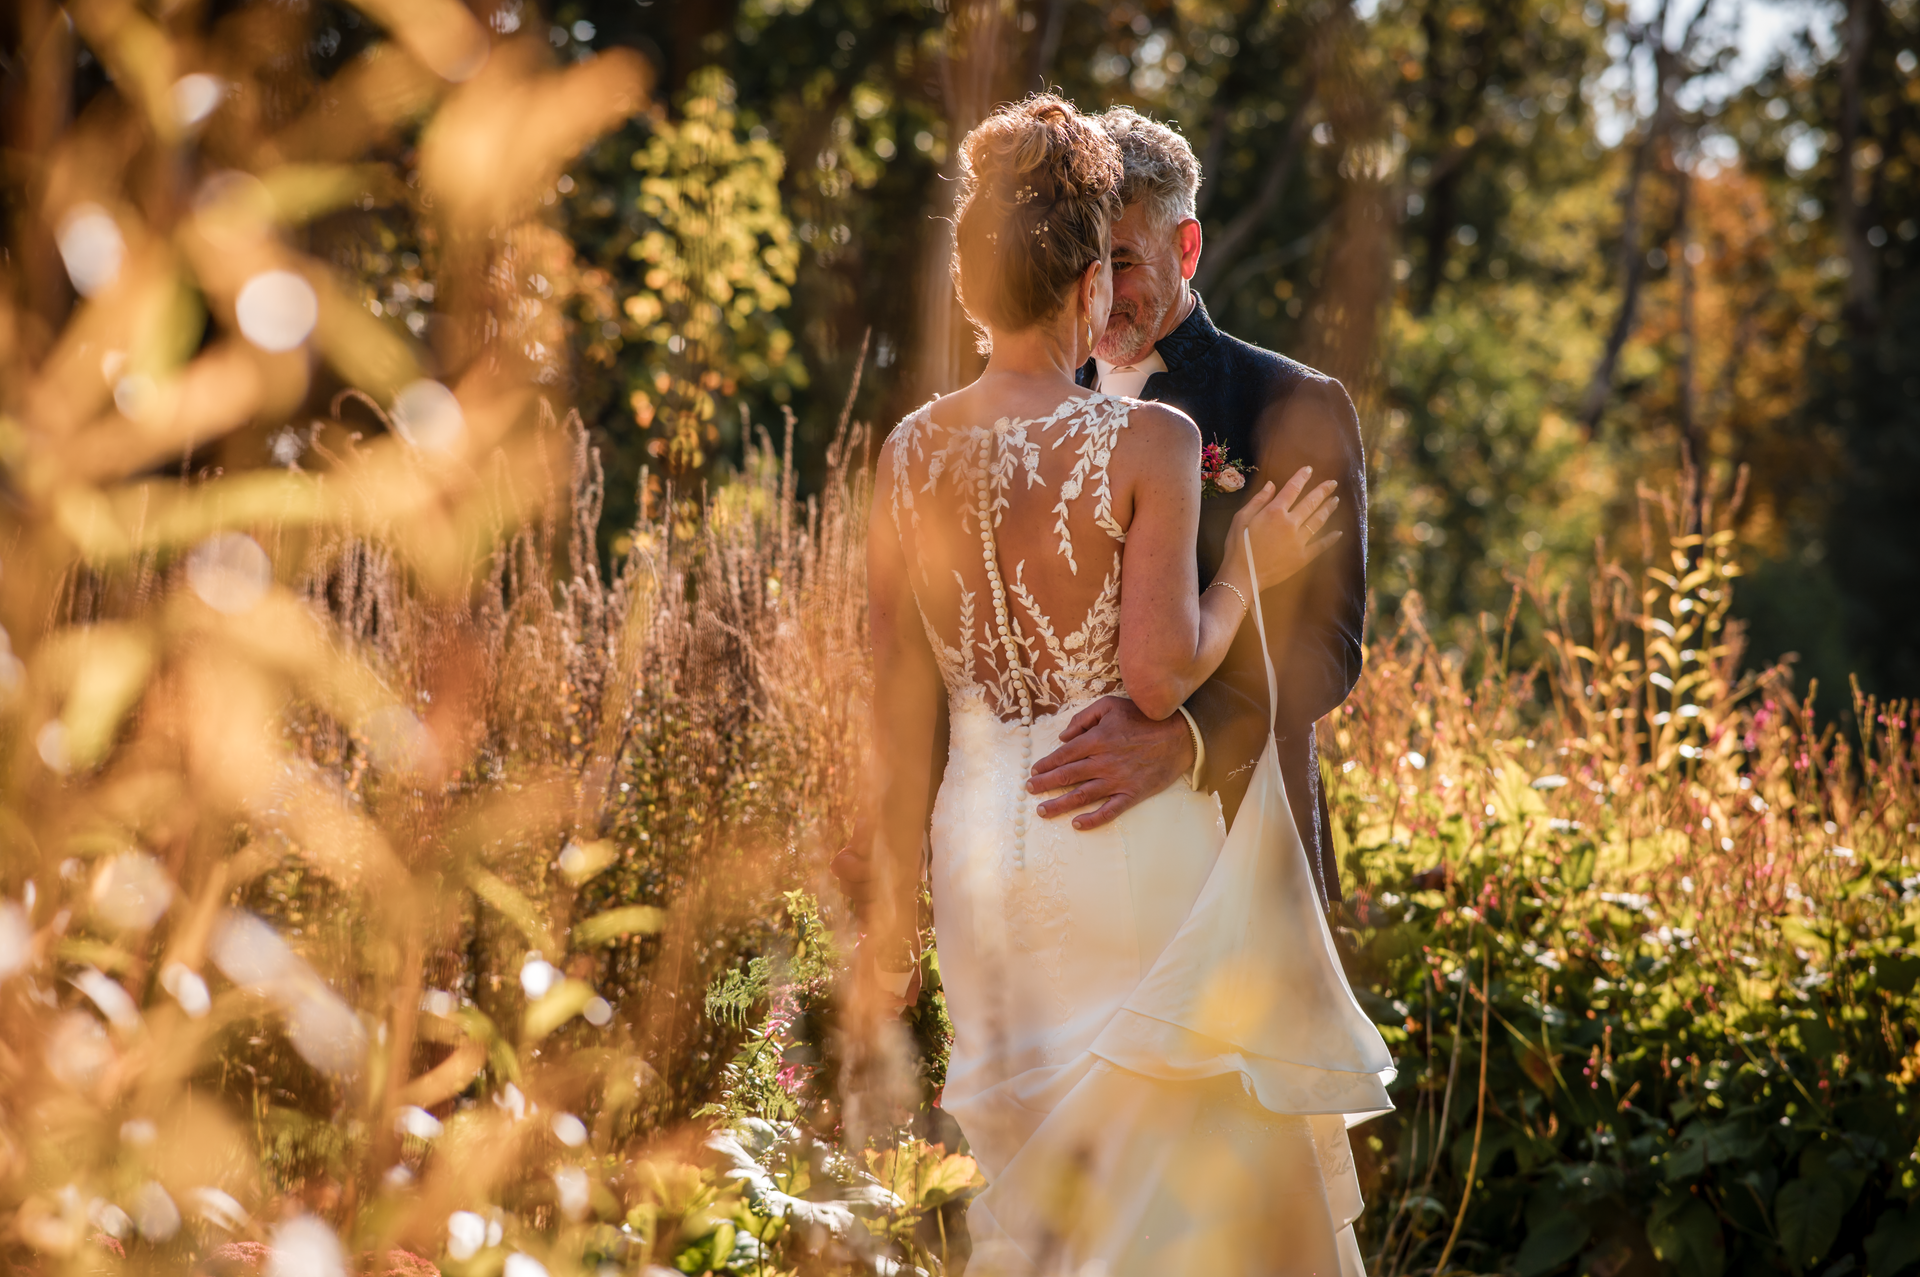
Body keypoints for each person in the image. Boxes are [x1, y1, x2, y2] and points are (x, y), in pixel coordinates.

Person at [858, 94, 1393, 1276]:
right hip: (1045, 860)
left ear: (1184, 246)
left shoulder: (1286, 406)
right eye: (1091, 257)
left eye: (1129, 258)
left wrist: (1185, 744)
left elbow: (1331, 648)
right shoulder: (1091, 434)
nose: (1108, 281)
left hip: (1212, 844)